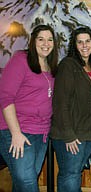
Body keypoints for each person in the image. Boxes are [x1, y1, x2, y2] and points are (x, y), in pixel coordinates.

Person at [0, 24, 58, 192]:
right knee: (26, 181)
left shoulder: (51, 67)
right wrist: (16, 133)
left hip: (41, 133)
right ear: (33, 41)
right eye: (41, 39)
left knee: (24, 181)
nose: (45, 43)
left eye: (49, 39)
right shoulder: (21, 60)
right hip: (17, 130)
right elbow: (5, 97)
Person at [49, 26, 91, 192]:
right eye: (80, 42)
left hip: (88, 134)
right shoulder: (68, 65)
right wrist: (68, 135)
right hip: (71, 135)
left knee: (75, 173)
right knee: (70, 174)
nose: (84, 45)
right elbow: (60, 102)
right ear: (74, 45)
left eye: (87, 41)